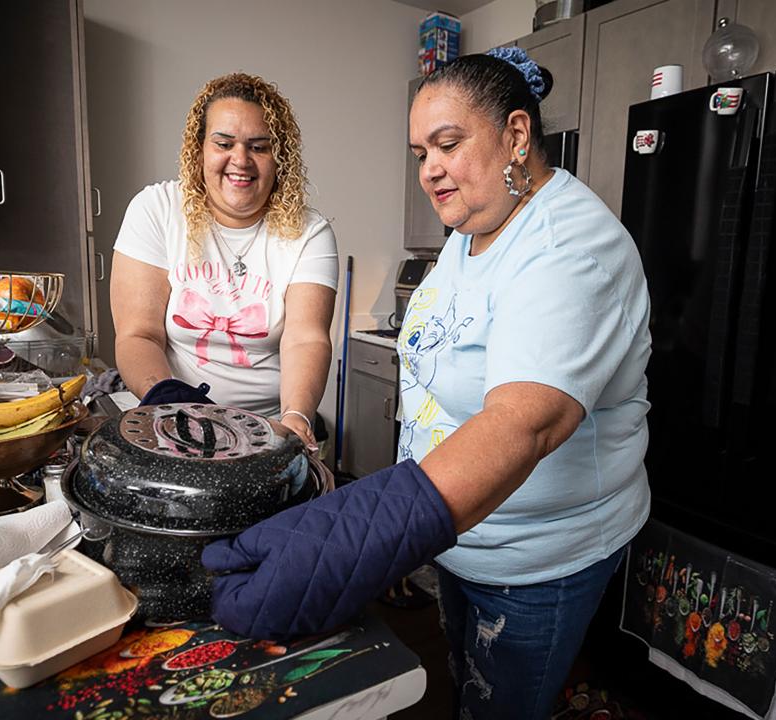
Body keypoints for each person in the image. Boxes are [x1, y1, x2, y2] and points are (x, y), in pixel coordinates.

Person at [201, 48, 652, 719]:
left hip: (534, 561)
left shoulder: (568, 249)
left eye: (448, 144)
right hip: (460, 538)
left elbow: (523, 424)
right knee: (460, 686)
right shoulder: (474, 225)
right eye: (420, 153)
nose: (430, 169)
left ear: (517, 136)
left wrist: (359, 531)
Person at [109, 73, 336, 447]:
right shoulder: (156, 209)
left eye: (259, 147)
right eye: (224, 143)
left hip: (264, 430)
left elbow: (304, 338)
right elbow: (139, 334)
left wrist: (295, 416)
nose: (241, 160)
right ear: (199, 149)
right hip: (167, 415)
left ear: (279, 159)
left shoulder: (310, 232)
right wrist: (172, 405)